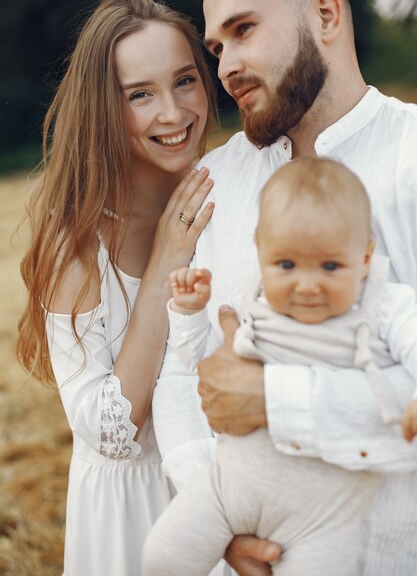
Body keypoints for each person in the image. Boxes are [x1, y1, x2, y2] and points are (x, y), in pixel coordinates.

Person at [151, 0, 417, 575]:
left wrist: (276, 400)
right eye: (216, 50)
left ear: (325, 14)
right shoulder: (212, 180)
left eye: (243, 31)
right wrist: (215, 515)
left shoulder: (413, 159)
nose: (227, 67)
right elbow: (178, 372)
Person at [16, 0, 218, 576]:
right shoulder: (77, 243)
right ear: (104, 109)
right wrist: (163, 264)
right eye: (140, 95)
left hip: (218, 490)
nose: (174, 113)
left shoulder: (221, 196)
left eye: (185, 81)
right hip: (133, 516)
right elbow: (110, 428)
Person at [144, 157, 417, 576]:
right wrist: (189, 312)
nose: (307, 286)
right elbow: (203, 365)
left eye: (330, 266)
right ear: (261, 251)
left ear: (364, 258)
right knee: (161, 558)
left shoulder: (384, 306)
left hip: (323, 519)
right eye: (286, 265)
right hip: (229, 488)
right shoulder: (259, 306)